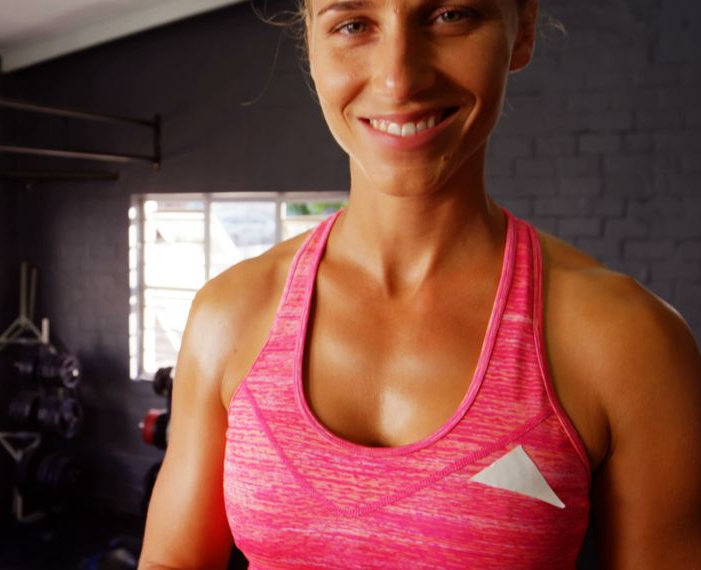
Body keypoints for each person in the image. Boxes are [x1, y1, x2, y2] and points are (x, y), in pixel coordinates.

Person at [139, 0, 701, 567]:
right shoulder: (229, 317)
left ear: (522, 29)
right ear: (310, 45)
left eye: (451, 15)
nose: (399, 78)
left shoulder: (630, 340)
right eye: (354, 25)